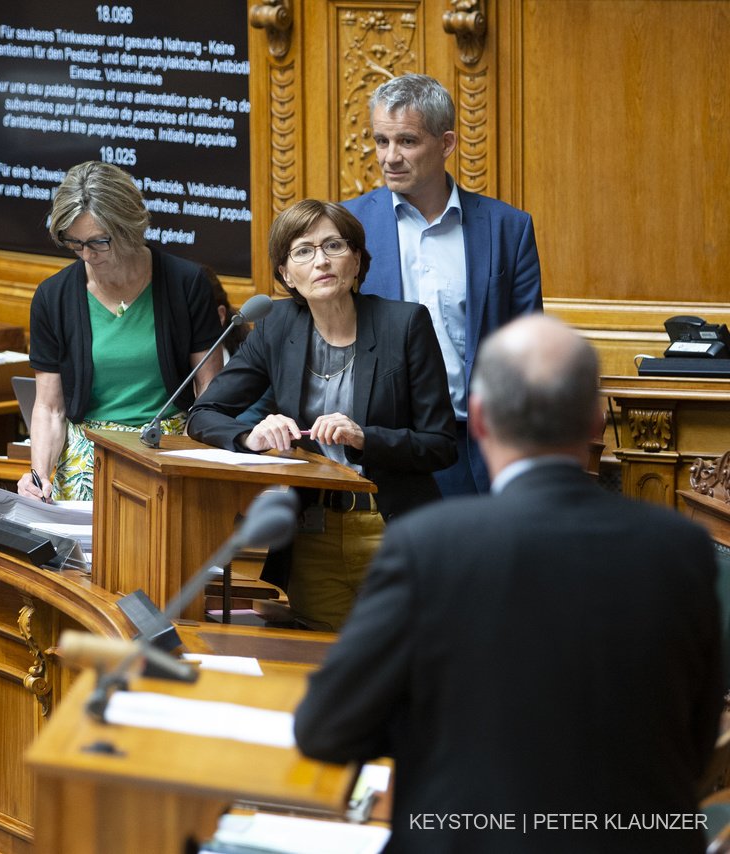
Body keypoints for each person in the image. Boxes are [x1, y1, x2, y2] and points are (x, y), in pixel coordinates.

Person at [294, 316, 722, 853]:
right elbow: (699, 738)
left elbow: (326, 730)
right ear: (596, 421)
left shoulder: (426, 547)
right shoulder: (682, 549)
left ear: (478, 420)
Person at [188, 200, 456, 631]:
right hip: (314, 535)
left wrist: (364, 437)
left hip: (390, 526)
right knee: (320, 659)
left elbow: (440, 445)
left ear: (357, 260)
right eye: (303, 251)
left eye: (334, 245)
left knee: (402, 658)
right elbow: (203, 413)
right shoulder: (277, 326)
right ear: (285, 274)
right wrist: (251, 436)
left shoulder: (404, 324)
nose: (322, 261)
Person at [343, 73, 542, 496]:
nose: (390, 157)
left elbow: (529, 348)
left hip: (472, 450)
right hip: (375, 446)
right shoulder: (346, 226)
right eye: (381, 141)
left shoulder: (508, 229)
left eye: (407, 141)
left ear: (446, 143)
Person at [18, 160, 223, 501]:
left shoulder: (186, 283)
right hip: (88, 454)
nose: (86, 255)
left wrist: (195, 456)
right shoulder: (53, 297)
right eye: (74, 242)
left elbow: (209, 388)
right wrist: (39, 477)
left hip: (171, 444)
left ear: (129, 228)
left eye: (98, 242)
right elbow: (50, 409)